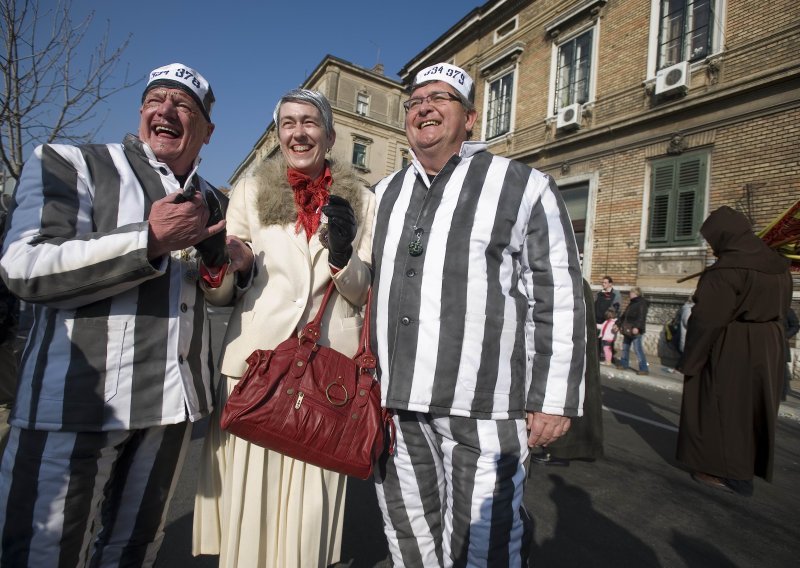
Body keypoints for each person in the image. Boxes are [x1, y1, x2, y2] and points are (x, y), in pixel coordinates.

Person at [0, 62, 225, 566]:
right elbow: (24, 267)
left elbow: (218, 294)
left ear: (207, 132)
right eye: (155, 100)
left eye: (183, 105)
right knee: (43, 554)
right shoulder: (69, 161)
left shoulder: (214, 199)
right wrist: (148, 240)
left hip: (169, 412)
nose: (165, 109)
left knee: (134, 551)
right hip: (74, 409)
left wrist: (226, 271)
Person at [369, 62, 585, 567]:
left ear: (470, 117)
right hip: (396, 404)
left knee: (483, 544)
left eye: (440, 98)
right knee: (408, 532)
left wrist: (552, 399)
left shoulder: (523, 185)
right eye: (416, 100)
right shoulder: (383, 195)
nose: (425, 106)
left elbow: (557, 293)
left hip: (484, 407)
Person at [192, 89, 374, 568]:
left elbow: (363, 292)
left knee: (309, 508)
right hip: (257, 366)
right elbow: (226, 289)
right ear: (278, 135)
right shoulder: (250, 192)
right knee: (251, 503)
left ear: (330, 135)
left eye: (310, 122)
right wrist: (229, 265)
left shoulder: (364, 202)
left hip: (327, 380)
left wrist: (341, 255)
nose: (299, 131)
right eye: (289, 123)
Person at [677, 206, 793, 497]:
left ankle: (730, 473)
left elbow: (707, 320)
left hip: (733, 344)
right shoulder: (778, 265)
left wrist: (692, 359)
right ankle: (745, 466)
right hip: (771, 343)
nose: (711, 246)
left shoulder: (726, 271)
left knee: (724, 409)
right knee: (752, 408)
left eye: (712, 239)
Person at [530, 279, 604, 466]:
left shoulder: (566, 279)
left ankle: (561, 450)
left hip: (568, 355)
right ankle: (579, 446)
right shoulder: (577, 281)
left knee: (563, 402)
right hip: (577, 354)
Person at [615, 286, 650, 376]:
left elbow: (641, 317)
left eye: (630, 293)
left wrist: (637, 327)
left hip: (635, 330)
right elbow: (624, 316)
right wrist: (617, 324)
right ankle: (624, 364)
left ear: (635, 293)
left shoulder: (642, 303)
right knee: (625, 348)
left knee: (638, 349)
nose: (629, 294)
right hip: (628, 329)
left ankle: (644, 368)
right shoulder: (632, 303)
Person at [595, 276, 621, 359]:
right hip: (598, 319)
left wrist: (610, 316)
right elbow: (594, 304)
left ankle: (609, 357)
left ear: (610, 284)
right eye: (602, 282)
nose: (603, 284)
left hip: (608, 320)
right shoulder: (599, 293)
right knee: (598, 339)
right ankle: (598, 355)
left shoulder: (616, 293)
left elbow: (617, 307)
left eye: (605, 282)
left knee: (608, 339)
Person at [783, 307, 799, 401]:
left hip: (781, 346)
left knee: (783, 372)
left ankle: (782, 395)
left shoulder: (787, 310)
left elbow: (795, 326)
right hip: (765, 347)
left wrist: (785, 336)